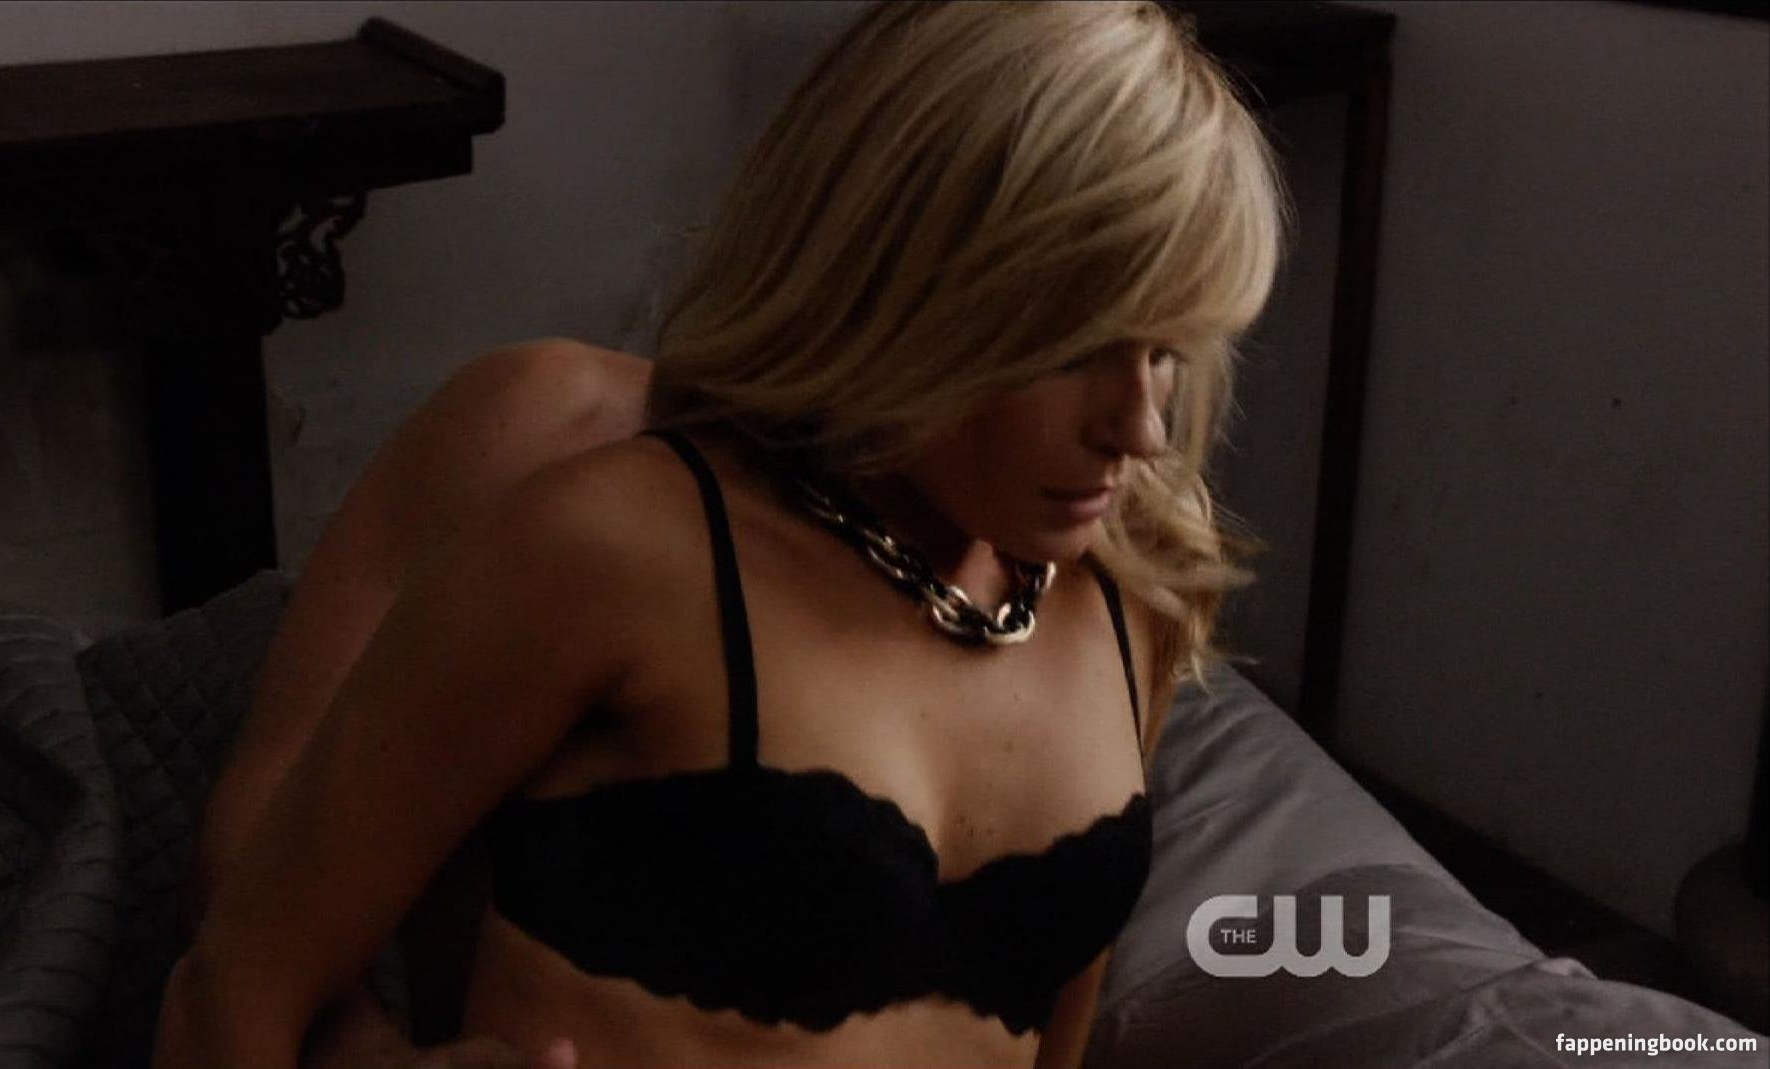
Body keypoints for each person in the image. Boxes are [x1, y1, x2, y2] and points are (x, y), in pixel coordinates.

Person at [154, 1, 1288, 1066]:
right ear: (914, 279)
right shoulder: (597, 512)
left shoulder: (1126, 588)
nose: (1141, 429)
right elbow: (239, 958)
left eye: (1169, 350)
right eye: (1077, 345)